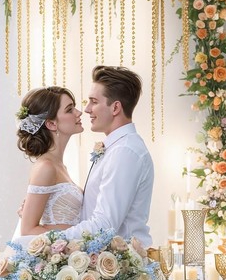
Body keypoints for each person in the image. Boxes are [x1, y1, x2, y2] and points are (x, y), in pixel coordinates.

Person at [64, 65, 154, 249]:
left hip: (123, 267)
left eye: (93, 101)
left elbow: (104, 225)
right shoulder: (117, 147)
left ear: (115, 107)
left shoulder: (125, 151)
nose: (87, 109)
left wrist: (47, 238)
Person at [13, 86, 84, 240]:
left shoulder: (60, 166)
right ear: (51, 124)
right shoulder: (46, 167)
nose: (79, 113)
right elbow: (28, 230)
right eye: (69, 109)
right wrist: (78, 239)